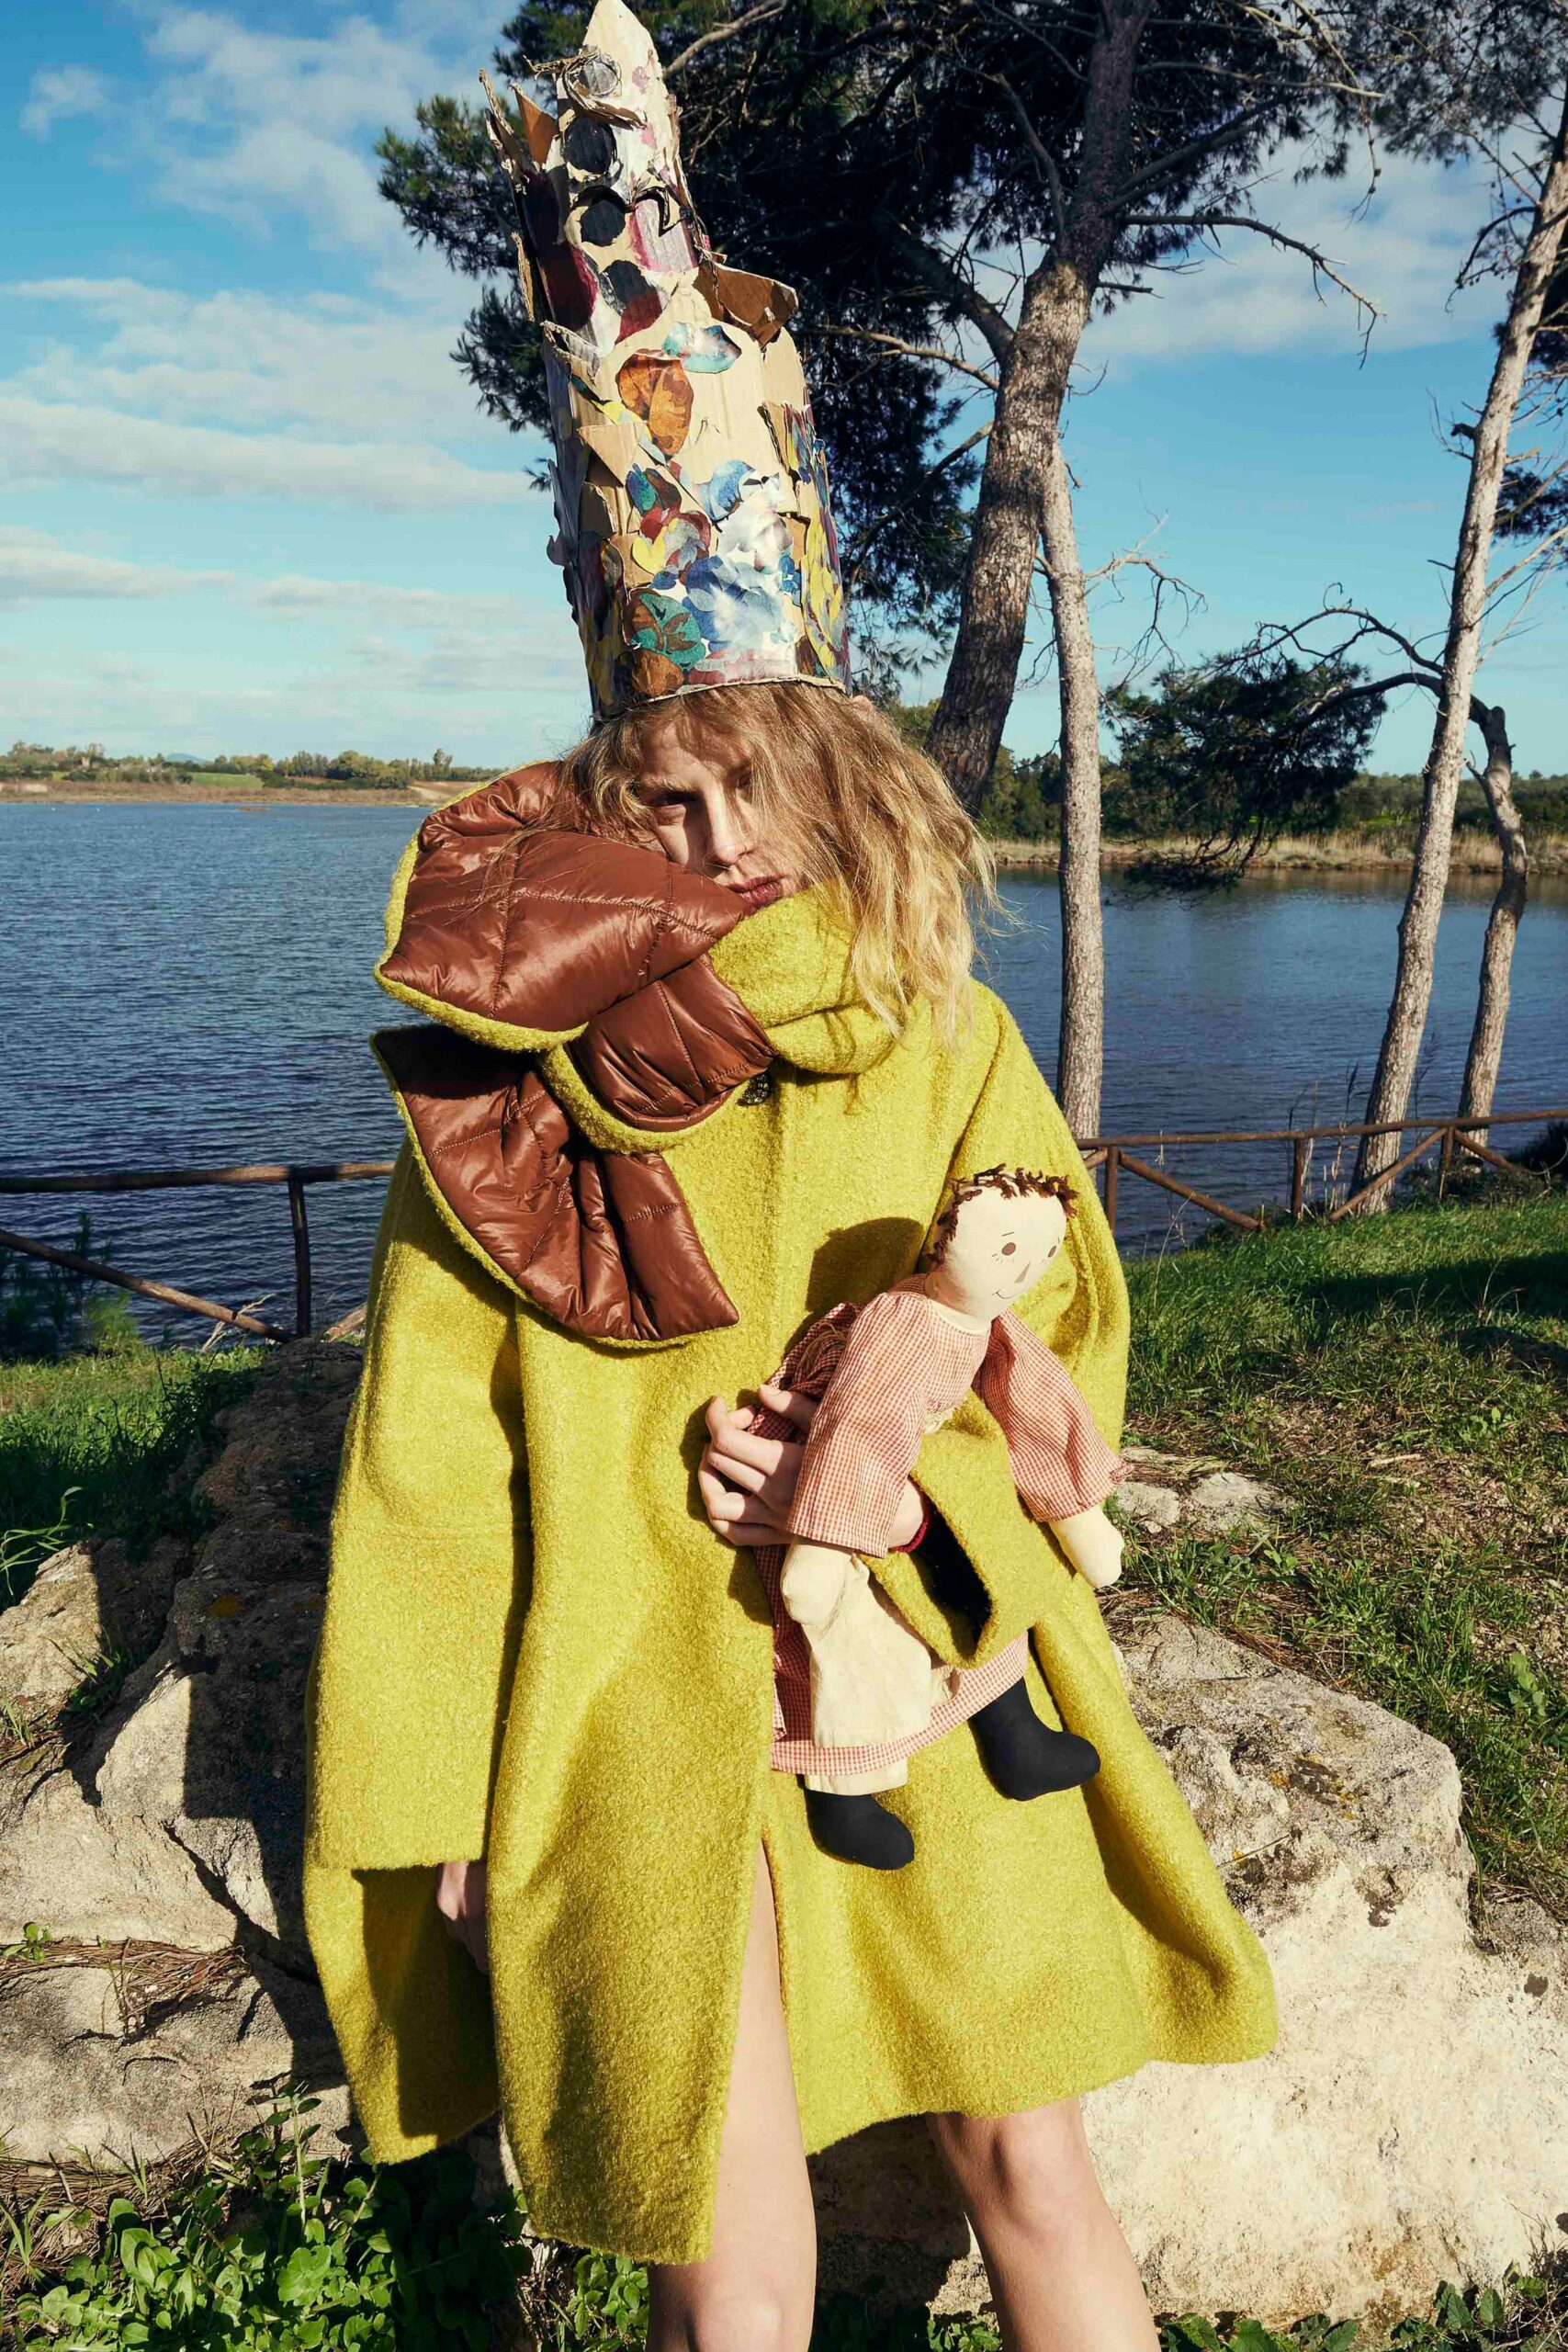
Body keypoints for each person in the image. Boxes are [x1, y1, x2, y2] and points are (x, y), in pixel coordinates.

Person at [301, 8, 1279, 2348]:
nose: (713, 842)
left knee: (1024, 2148)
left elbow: (1067, 1319)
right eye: (666, 792)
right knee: (709, 2223)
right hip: (629, 1686)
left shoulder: (949, 1036)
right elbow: (430, 1455)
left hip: (917, 1646)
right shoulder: (511, 1072)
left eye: (757, 786)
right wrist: (445, 1783)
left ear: (842, 777)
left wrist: (892, 1413)